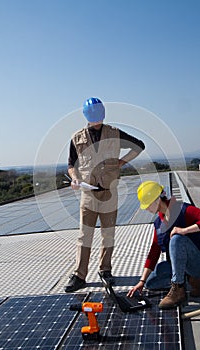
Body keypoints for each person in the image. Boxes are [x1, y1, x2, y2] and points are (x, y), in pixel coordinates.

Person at [65, 97, 145, 292]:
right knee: (85, 236)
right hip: (88, 193)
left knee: (108, 234)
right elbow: (70, 165)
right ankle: (79, 275)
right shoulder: (77, 138)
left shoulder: (115, 133)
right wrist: (75, 178)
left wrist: (121, 162)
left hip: (109, 192)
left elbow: (139, 146)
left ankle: (105, 270)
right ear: (87, 115)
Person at [127, 180, 200, 309]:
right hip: (183, 264)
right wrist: (141, 281)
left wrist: (184, 230)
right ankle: (191, 279)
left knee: (177, 238)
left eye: (147, 205)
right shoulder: (159, 223)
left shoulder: (182, 209)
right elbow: (154, 251)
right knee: (151, 283)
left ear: (157, 200)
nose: (147, 209)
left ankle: (178, 288)